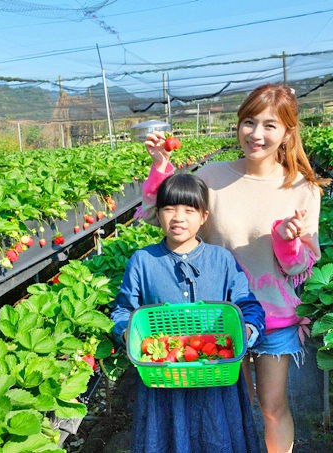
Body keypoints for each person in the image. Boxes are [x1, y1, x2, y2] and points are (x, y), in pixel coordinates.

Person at [136, 83, 329, 453]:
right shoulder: (211, 177)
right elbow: (153, 216)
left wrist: (287, 241)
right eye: (249, 122)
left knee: (273, 408)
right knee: (236, 408)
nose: (256, 134)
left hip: (274, 316)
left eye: (270, 125)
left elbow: (303, 264)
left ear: (288, 132)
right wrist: (161, 168)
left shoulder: (303, 188)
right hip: (217, 317)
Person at [112, 172, 266, 453]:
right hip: (162, 374)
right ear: (157, 214)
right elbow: (124, 309)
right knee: (166, 438)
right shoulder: (143, 261)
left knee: (217, 435)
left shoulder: (221, 259)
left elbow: (248, 304)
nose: (178, 217)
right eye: (169, 208)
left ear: (204, 216)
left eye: (189, 209)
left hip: (215, 373)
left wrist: (247, 329)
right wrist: (126, 332)